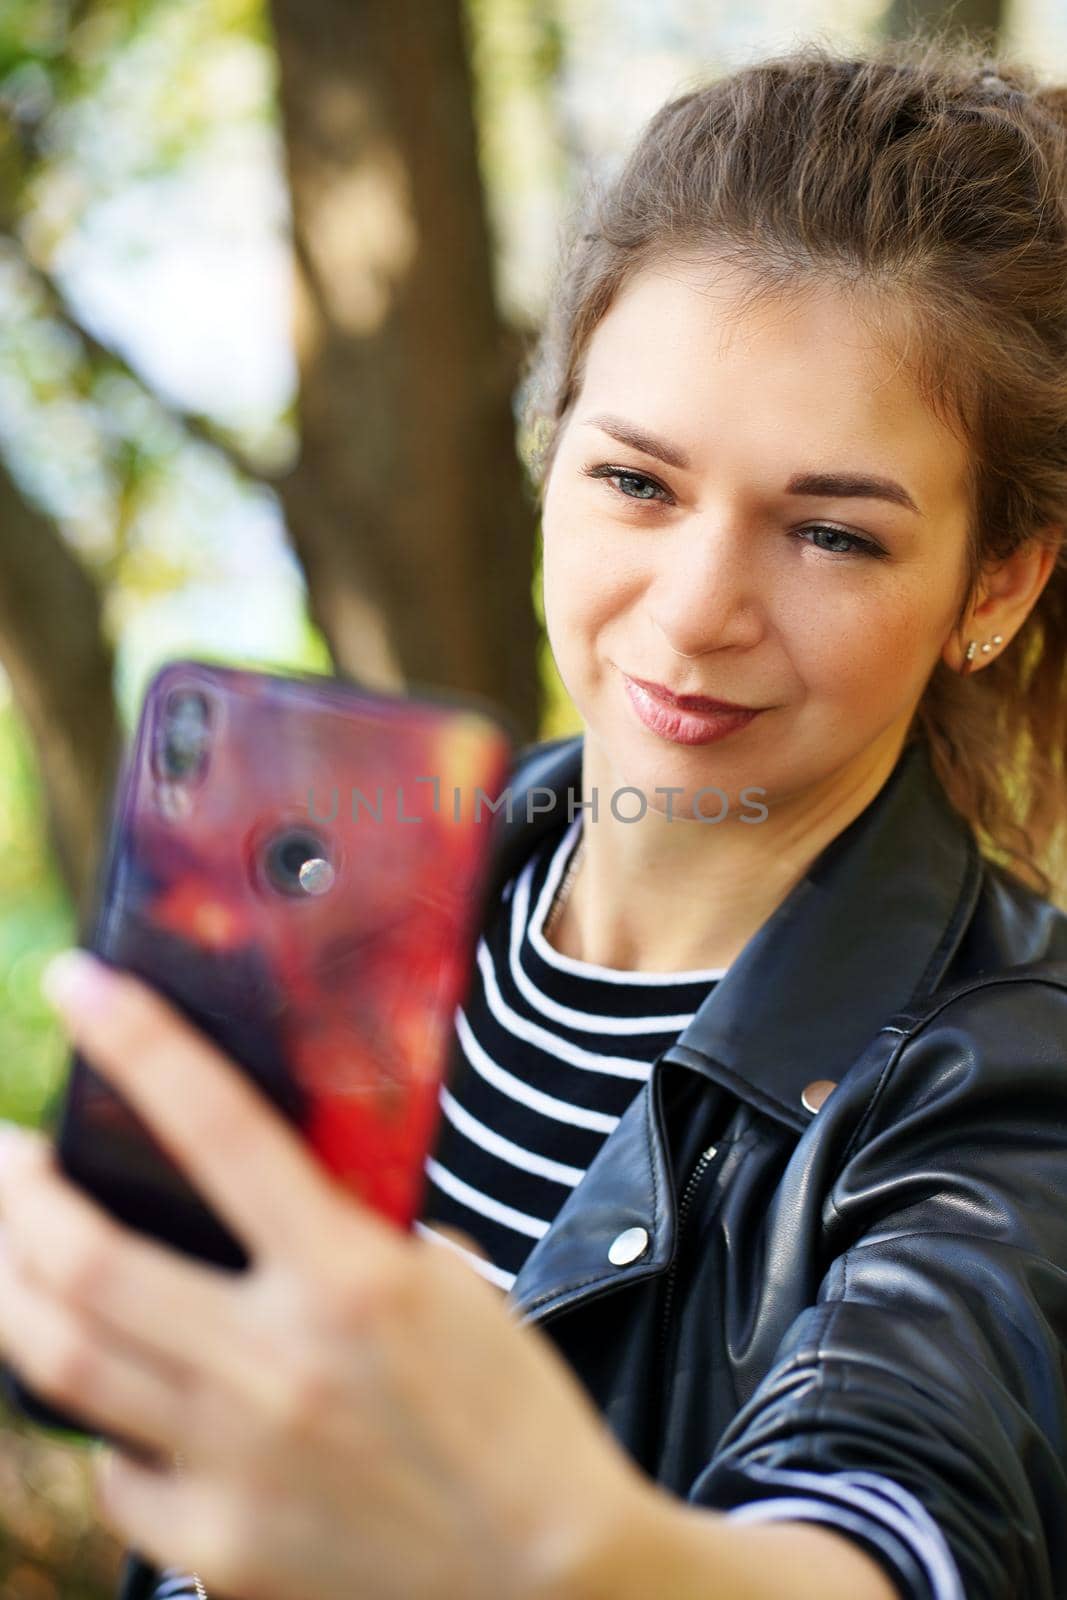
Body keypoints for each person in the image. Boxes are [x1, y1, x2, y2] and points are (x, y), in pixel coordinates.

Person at [2, 22, 1067, 1600]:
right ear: (548, 446)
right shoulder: (360, 915)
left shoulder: (1015, 1071)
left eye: (832, 535)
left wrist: (554, 1555)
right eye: (637, 482)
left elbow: (893, 1531)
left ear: (994, 582)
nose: (697, 611)